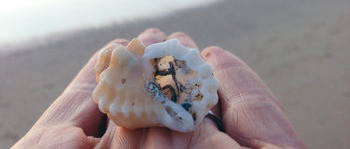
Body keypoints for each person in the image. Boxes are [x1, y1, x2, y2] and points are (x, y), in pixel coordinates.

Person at [12, 28, 306, 148]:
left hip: (157, 94)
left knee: (181, 111)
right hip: (139, 93)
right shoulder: (118, 79)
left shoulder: (153, 64)